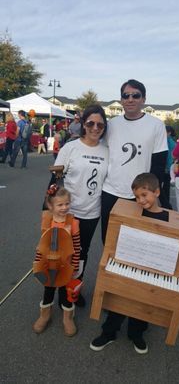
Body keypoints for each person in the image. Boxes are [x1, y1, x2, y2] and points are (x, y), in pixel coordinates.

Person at [90, 173, 169, 354]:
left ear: (157, 192)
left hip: (150, 268)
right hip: (127, 263)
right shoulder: (131, 211)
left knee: (143, 300)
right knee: (118, 297)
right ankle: (109, 332)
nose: (140, 200)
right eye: (136, 196)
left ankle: (136, 333)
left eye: (144, 195)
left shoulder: (166, 217)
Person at [101, 79, 169, 245]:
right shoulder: (111, 125)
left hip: (139, 196)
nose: (130, 99)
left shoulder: (156, 125)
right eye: (126, 96)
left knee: (133, 244)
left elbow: (159, 164)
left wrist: (151, 194)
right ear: (121, 100)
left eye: (135, 95)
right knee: (108, 240)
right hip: (111, 191)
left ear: (143, 99)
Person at [54, 104, 108, 306]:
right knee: (62, 254)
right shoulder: (70, 148)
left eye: (100, 125)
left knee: (81, 254)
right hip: (69, 212)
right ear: (83, 124)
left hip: (91, 213)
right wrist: (53, 209)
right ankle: (60, 291)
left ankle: (73, 290)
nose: (95, 128)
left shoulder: (107, 150)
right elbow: (56, 180)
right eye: (91, 123)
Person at [33, 186, 80, 336]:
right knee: (48, 288)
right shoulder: (47, 221)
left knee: (66, 290)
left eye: (67, 203)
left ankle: (68, 318)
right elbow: (42, 245)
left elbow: (77, 247)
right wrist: (38, 263)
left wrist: (75, 266)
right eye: (60, 205)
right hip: (48, 264)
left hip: (66, 264)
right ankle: (45, 315)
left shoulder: (73, 223)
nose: (64, 207)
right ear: (50, 206)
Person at [162, 126, 176, 205]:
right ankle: (166, 202)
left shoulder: (168, 142)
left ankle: (165, 203)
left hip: (166, 167)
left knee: (162, 186)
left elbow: (169, 157)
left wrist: (167, 168)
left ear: (169, 133)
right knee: (166, 187)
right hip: (169, 168)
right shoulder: (173, 142)